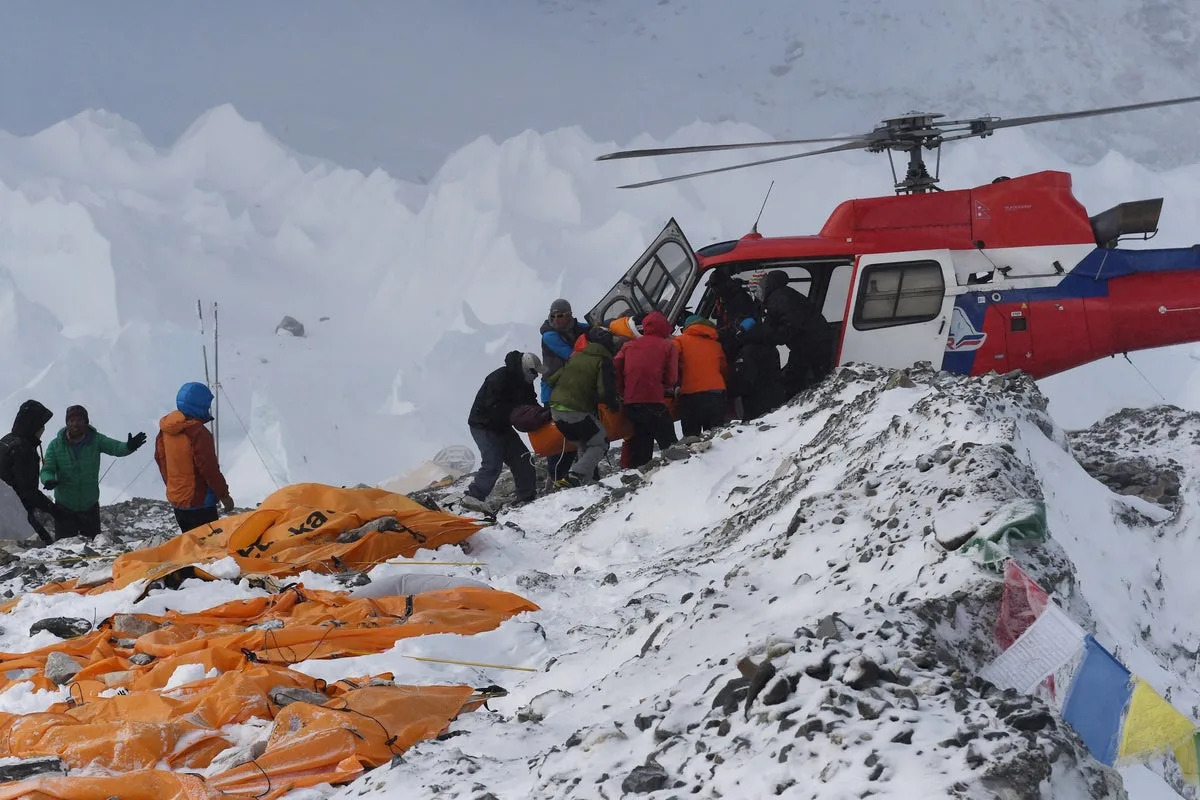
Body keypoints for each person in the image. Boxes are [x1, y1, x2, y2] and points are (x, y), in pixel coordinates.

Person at [40, 405, 147, 540]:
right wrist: (48, 479)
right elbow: (47, 469)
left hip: (89, 506)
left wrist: (129, 447)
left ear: (86, 422)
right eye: (71, 421)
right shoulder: (55, 445)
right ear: (66, 423)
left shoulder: (96, 440)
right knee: (63, 547)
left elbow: (116, 447)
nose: (75, 424)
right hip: (64, 507)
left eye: (79, 420)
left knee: (93, 545)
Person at [461, 351, 541, 513]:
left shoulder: (524, 381)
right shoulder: (499, 378)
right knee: (492, 462)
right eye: (534, 372)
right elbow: (491, 406)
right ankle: (473, 498)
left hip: (502, 426)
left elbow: (530, 401)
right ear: (526, 368)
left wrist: (540, 414)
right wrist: (515, 413)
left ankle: (527, 496)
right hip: (483, 425)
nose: (536, 376)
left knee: (522, 458)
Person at [545, 327, 619, 488]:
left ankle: (585, 482)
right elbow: (605, 392)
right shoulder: (603, 361)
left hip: (555, 410)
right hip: (575, 410)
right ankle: (577, 475)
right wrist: (614, 406)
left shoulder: (576, 356)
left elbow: (551, 380)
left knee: (585, 441)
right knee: (601, 443)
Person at [155, 382, 233, 533]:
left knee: (190, 542)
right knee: (208, 544)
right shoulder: (198, 433)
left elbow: (161, 460)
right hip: (199, 503)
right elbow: (209, 469)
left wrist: (175, 488)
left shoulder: (166, 430)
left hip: (178, 501)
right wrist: (224, 495)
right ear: (199, 406)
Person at [743, 269, 833, 401]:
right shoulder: (777, 297)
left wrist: (761, 334)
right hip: (810, 342)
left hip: (811, 343)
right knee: (796, 376)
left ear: (763, 287)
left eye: (756, 290)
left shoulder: (779, 299)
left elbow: (788, 329)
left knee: (794, 380)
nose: (755, 295)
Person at [708, 271, 782, 421]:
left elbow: (743, 383)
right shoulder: (727, 299)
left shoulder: (738, 300)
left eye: (715, 287)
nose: (714, 291)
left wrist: (721, 335)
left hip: (741, 352)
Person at [613, 311, 679, 468]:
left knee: (642, 442)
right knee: (669, 444)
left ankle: (641, 475)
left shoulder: (628, 346)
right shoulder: (669, 345)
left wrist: (622, 390)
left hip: (631, 402)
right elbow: (672, 378)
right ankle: (678, 472)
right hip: (654, 400)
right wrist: (665, 387)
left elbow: (616, 366)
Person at [540, 299, 590, 481]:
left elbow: (592, 327)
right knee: (561, 439)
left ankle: (575, 476)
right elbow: (572, 355)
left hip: (570, 392)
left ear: (569, 315)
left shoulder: (575, 327)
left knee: (575, 435)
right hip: (553, 393)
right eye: (553, 316)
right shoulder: (549, 336)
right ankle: (556, 478)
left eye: (560, 315)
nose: (556, 319)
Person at [0, 400, 57, 544]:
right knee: (44, 545)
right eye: (41, 425)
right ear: (33, 425)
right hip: (14, 511)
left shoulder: (7, 439)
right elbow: (27, 492)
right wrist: (53, 509)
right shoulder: (23, 449)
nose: (43, 429)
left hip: (6, 510)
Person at [674, 315, 729, 437]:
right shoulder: (716, 345)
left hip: (690, 394)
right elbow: (724, 368)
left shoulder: (680, 341)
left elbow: (670, 359)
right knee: (716, 437)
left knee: (692, 437)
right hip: (716, 394)